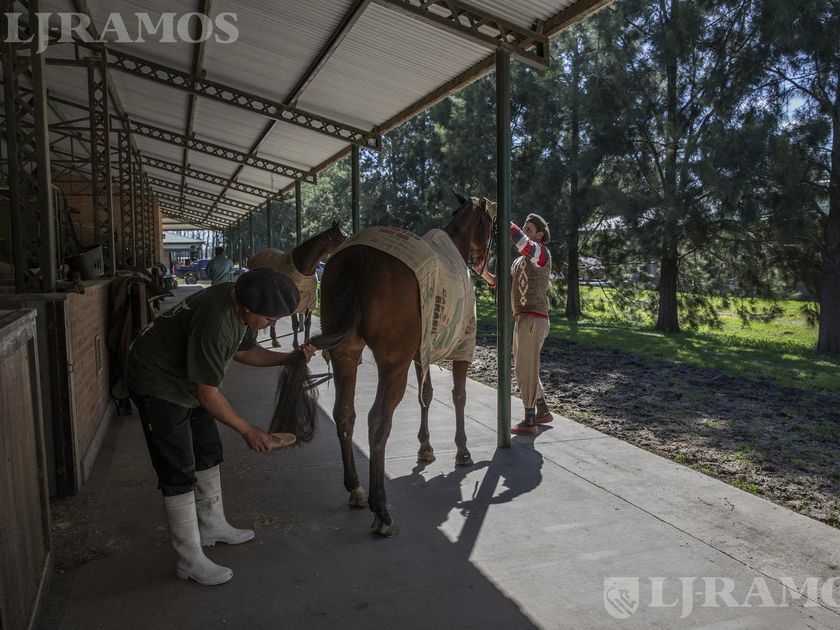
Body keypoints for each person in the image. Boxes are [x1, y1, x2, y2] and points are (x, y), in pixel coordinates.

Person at [125, 268, 316, 586]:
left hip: (187, 378)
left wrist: (288, 358)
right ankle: (189, 559)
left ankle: (212, 525)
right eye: (269, 319)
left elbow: (245, 350)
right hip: (157, 382)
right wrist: (249, 430)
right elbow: (208, 394)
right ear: (246, 307)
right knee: (177, 468)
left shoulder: (241, 300)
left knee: (207, 450)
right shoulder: (216, 322)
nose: (272, 325)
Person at [482, 213, 554, 436]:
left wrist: (506, 222)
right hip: (523, 318)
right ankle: (542, 410)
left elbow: (525, 245)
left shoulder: (541, 252)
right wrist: (484, 273)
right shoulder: (518, 262)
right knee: (525, 366)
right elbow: (503, 284)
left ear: (540, 234)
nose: (525, 231)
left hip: (533, 318)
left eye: (529, 229)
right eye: (524, 227)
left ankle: (530, 420)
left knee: (526, 367)